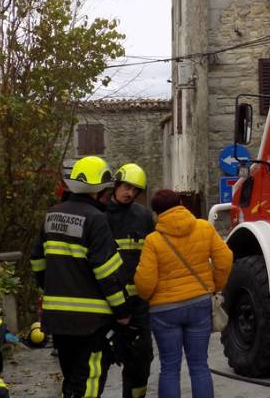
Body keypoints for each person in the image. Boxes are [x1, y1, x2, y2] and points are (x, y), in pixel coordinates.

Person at [30, 156, 130, 398]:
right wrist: (123, 311)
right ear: (96, 191)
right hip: (92, 324)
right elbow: (107, 273)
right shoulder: (96, 220)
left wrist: (54, 289)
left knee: (72, 382)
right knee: (89, 384)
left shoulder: (51, 215)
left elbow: (37, 263)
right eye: (105, 191)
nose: (108, 196)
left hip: (58, 321)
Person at [134, 190, 232, 398]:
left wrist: (149, 296)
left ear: (156, 212)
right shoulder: (204, 228)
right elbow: (225, 259)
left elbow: (144, 283)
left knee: (169, 367)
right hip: (199, 304)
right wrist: (215, 286)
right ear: (180, 203)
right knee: (199, 365)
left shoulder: (153, 240)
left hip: (164, 310)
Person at [106, 163, 155, 398]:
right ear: (115, 185)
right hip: (105, 304)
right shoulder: (98, 214)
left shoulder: (144, 216)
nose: (130, 193)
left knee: (141, 359)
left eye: (135, 190)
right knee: (98, 361)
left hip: (137, 304)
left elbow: (153, 255)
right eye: (126, 187)